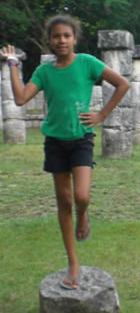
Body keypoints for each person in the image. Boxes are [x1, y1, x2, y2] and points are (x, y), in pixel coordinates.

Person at [1, 15, 130, 290]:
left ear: (74, 38)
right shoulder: (45, 71)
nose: (62, 40)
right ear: (49, 40)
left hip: (81, 138)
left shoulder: (87, 63)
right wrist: (13, 64)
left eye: (66, 36)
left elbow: (122, 84)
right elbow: (22, 98)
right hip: (55, 143)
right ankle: (73, 263)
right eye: (56, 36)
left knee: (82, 197)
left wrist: (101, 115)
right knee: (64, 200)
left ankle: (83, 214)